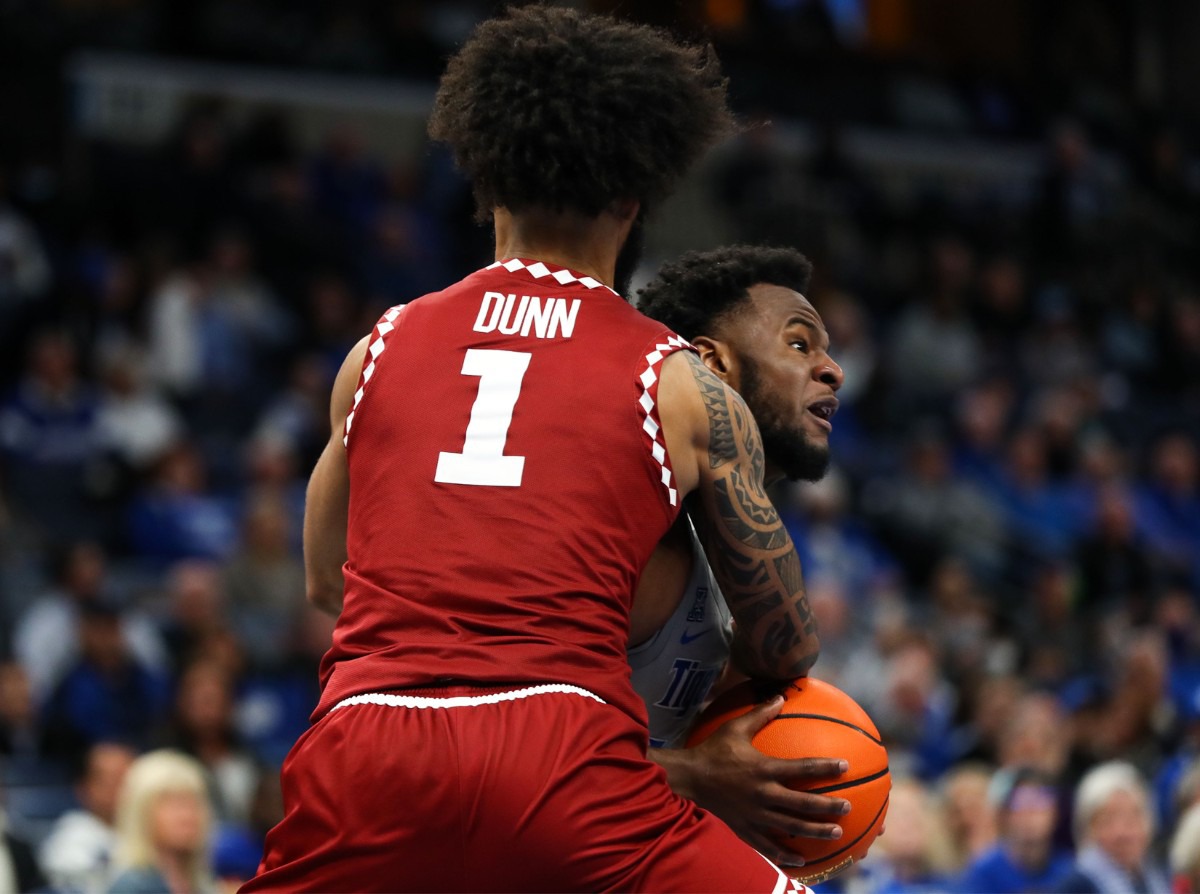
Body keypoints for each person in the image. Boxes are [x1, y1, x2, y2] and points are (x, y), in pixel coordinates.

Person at [243, 7, 823, 892]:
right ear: (635, 196)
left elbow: (329, 580)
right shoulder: (682, 382)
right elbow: (785, 644)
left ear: (489, 184)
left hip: (368, 740)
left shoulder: (379, 350)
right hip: (561, 751)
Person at [631, 244, 852, 856]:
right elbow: (508, 732)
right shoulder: (649, 531)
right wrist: (691, 776)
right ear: (711, 366)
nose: (834, 370)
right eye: (801, 344)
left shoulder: (739, 544)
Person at [106, 749, 216, 894]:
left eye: (192, 801)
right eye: (171, 802)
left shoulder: (203, 883)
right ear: (141, 812)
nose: (186, 814)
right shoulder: (132, 887)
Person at [1051, 760, 1170, 894]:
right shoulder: (1077, 886)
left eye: (1132, 819)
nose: (1122, 833)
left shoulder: (1161, 874)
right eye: (1108, 821)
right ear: (1088, 830)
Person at [955, 766, 1073, 893]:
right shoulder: (984, 872)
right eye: (1020, 804)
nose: (1030, 813)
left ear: (1054, 813)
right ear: (1004, 815)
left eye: (1040, 803)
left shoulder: (1069, 869)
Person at [38, 740, 136, 894]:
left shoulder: (151, 833)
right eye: (110, 780)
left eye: (127, 780)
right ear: (83, 787)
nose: (121, 789)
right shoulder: (70, 840)